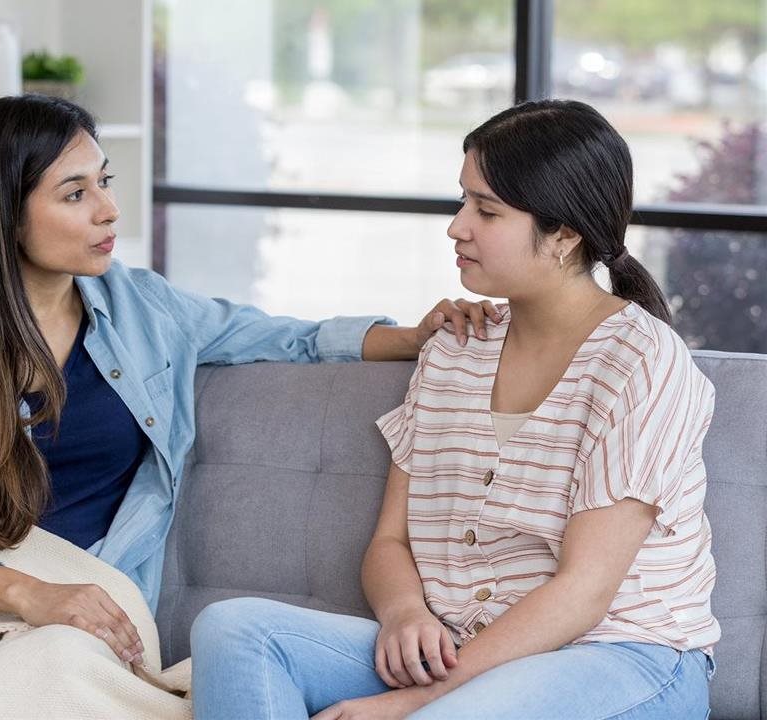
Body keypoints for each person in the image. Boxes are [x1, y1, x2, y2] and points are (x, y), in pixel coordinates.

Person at [0, 93, 498, 668]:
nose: (109, 211)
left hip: (97, 596)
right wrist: (32, 595)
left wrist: (412, 338)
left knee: (57, 674)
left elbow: (282, 336)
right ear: (3, 215)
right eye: (76, 194)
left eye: (104, 181)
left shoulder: (141, 307)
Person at [189, 99, 718, 720]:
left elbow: (584, 593)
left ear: (565, 235)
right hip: (462, 648)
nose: (456, 226)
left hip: (621, 656)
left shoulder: (642, 361)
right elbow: (390, 540)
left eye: (485, 210)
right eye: (462, 200)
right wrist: (405, 612)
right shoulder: (454, 350)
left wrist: (417, 700)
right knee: (234, 631)